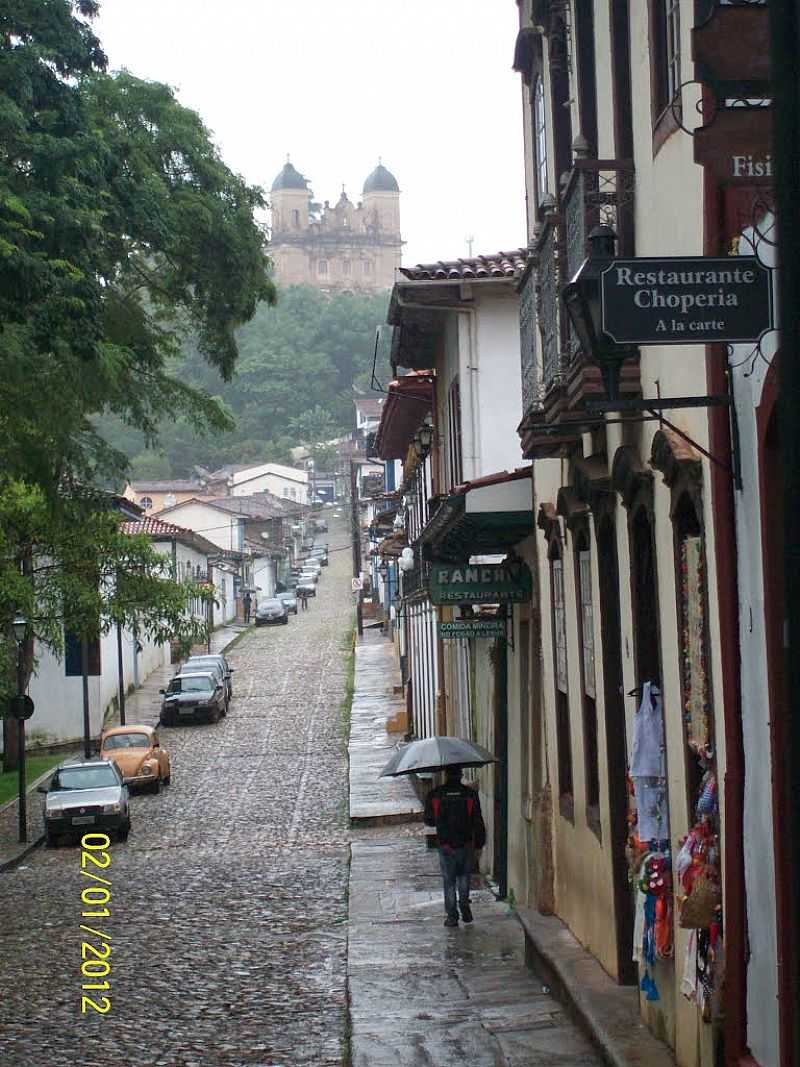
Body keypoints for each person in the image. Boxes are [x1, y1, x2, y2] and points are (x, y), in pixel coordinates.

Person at [424, 764, 486, 927]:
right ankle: (464, 905)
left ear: (445, 775)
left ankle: (452, 916)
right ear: (460, 775)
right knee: (464, 877)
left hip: (445, 845)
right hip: (465, 844)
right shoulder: (470, 795)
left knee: (449, 881)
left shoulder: (435, 795)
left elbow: (428, 820)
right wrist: (480, 843)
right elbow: (477, 821)